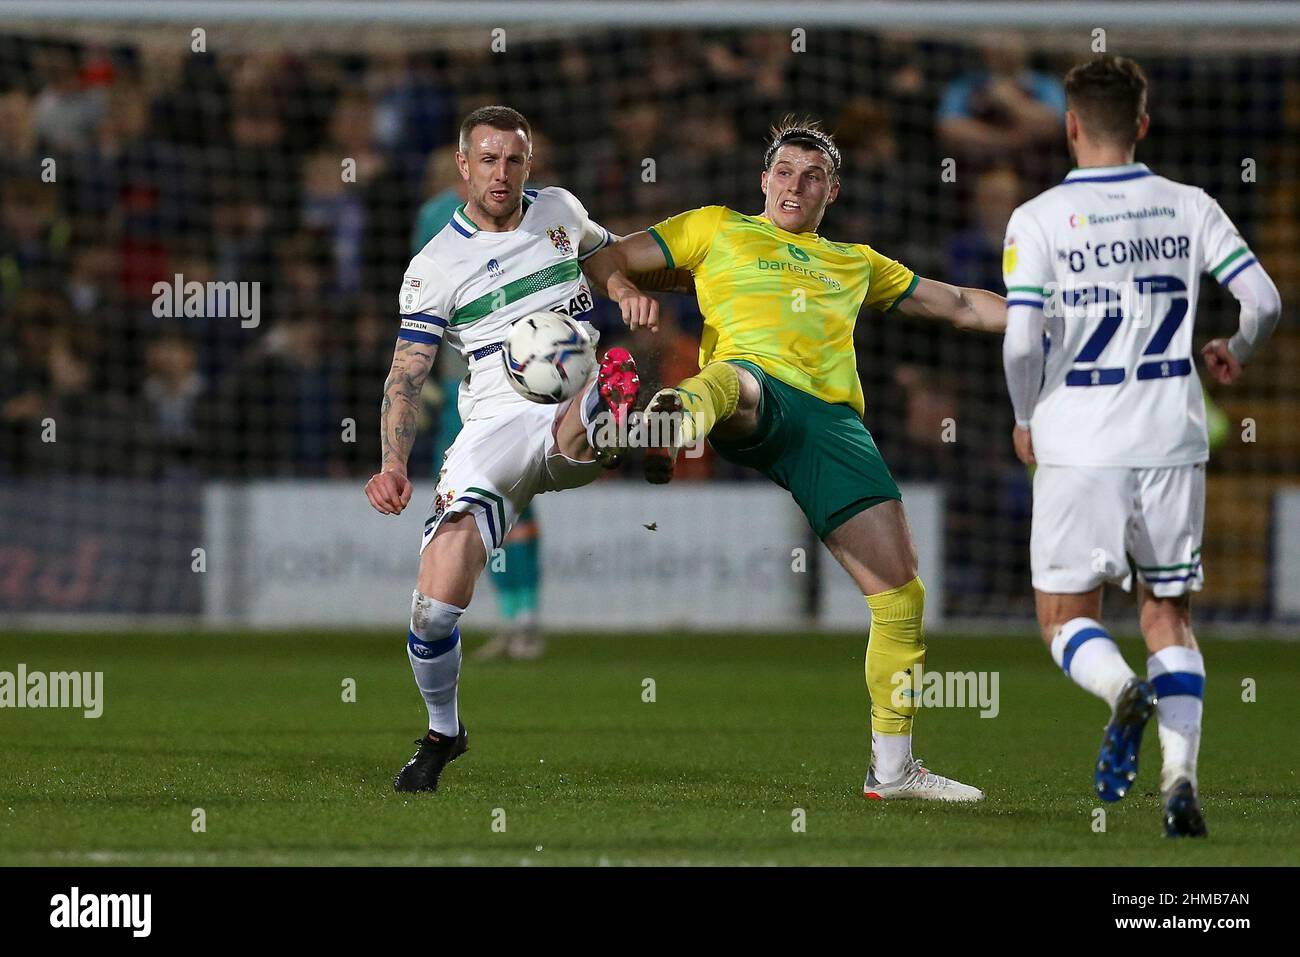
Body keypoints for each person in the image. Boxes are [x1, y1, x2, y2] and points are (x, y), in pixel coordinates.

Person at [584, 117, 1007, 802]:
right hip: (747, 396)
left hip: (832, 426)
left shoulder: (856, 262)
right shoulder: (716, 227)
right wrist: (624, 290)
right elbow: (605, 253)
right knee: (736, 376)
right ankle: (672, 423)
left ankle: (893, 769)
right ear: (764, 179)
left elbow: (958, 303)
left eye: (812, 177)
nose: (795, 185)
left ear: (830, 191)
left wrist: (1050, 316)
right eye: (784, 171)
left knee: (900, 594)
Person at [1000, 56, 1282, 836]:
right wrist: (1237, 349)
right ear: (1144, 126)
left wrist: (1025, 414)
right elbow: (1263, 299)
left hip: (1077, 439)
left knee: (1063, 615)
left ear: (1070, 125)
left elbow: (1022, 341)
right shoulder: (1190, 205)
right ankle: (1179, 777)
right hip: (1169, 437)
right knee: (1168, 612)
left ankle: (1122, 688)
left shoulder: (1038, 217)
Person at [364, 106, 642, 792]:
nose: (501, 173)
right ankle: (443, 731)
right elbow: (407, 373)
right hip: (488, 422)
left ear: (529, 164)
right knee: (433, 606)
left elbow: (602, 247)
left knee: (594, 394)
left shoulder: (558, 210)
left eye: (514, 160)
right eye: (488, 160)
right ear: (464, 165)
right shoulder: (434, 266)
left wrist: (623, 285)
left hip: (561, 400)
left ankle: (611, 405)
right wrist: (394, 463)